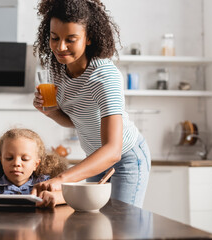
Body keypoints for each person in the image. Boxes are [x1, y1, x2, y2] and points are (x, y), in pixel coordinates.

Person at [32, 0, 151, 208]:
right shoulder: (57, 72)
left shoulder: (104, 76)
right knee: (93, 221)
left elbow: (113, 150)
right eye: (54, 38)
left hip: (126, 157)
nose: (60, 47)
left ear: (88, 38)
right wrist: (51, 112)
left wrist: (62, 179)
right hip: (95, 160)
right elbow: (78, 121)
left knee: (123, 225)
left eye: (71, 39)